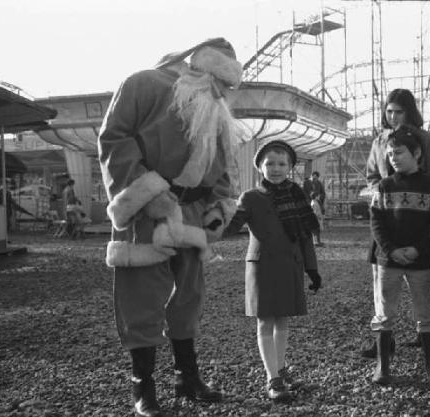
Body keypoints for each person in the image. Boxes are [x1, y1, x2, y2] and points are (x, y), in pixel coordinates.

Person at [98, 38, 243, 416]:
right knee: (142, 297)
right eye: (222, 84)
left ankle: (187, 377)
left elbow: (224, 166)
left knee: (189, 296)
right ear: (203, 71)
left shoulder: (215, 109)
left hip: (194, 212)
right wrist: (146, 194)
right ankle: (143, 388)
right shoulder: (144, 84)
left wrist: (218, 208)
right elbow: (113, 138)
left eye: (228, 88)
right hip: (147, 208)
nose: (225, 93)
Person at [224, 140, 322, 401]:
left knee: (283, 320)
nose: (275, 168)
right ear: (260, 167)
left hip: (290, 264)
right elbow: (230, 227)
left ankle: (280, 368)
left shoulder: (297, 196)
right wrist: (214, 214)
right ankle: (273, 378)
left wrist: (312, 269)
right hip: (263, 266)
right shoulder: (250, 197)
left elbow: (304, 237)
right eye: (269, 163)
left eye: (281, 163)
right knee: (266, 320)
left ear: (290, 167)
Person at [362, 88, 430, 358]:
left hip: (418, 215)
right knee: (382, 280)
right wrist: (379, 189)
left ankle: (426, 334)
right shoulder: (378, 142)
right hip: (386, 214)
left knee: (422, 280)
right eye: (389, 111)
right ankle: (383, 340)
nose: (393, 116)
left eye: (399, 111)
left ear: (410, 111)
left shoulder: (427, 141)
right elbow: (371, 173)